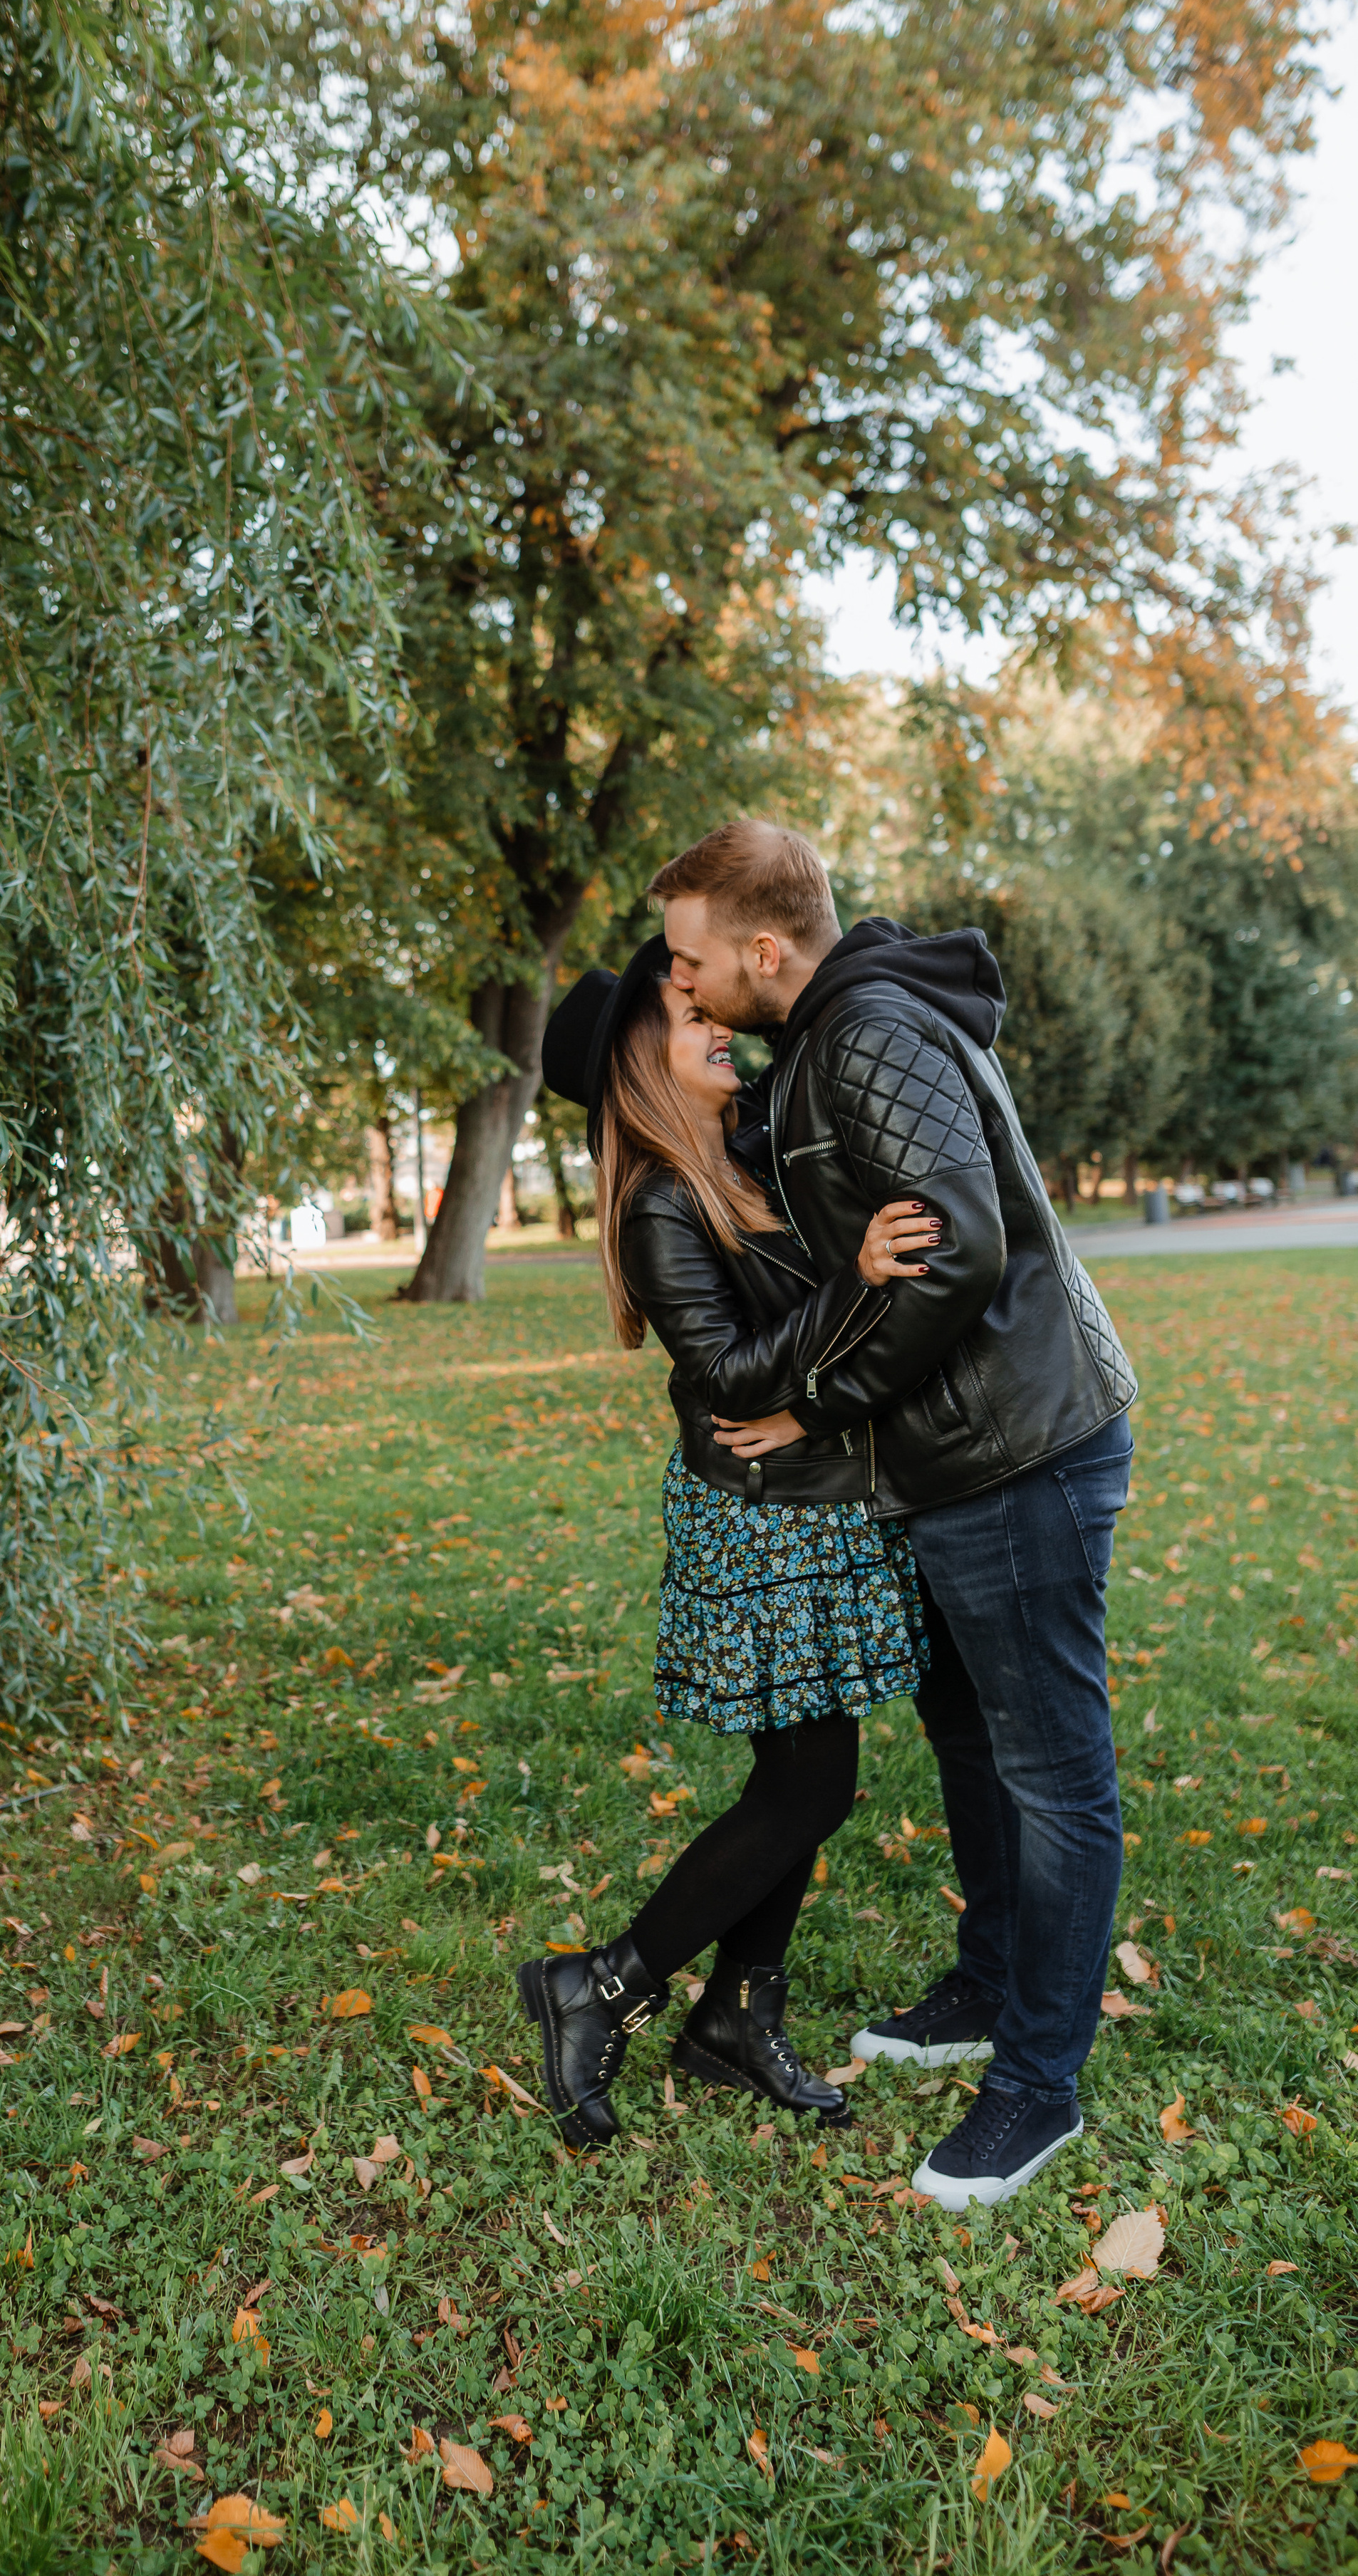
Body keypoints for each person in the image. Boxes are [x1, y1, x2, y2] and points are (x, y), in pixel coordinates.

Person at [648, 821, 1136, 2212]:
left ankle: (1035, 2088)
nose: (678, 986)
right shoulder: (823, 1039)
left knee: (1051, 1775)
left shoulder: (861, 1030)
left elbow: (962, 1246)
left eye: (689, 960)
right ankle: (986, 1990)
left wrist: (826, 1400)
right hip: (950, 1455)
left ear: (761, 948)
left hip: (1014, 1450)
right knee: (970, 1739)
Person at [513, 938, 940, 2149]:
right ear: (642, 1060)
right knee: (809, 1783)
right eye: (683, 1011)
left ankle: (737, 2019)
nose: (711, 1017)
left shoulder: (742, 1154)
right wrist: (856, 1280)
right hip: (758, 1520)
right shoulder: (659, 1199)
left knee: (802, 1785)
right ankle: (600, 1985)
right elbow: (726, 1375)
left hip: (811, 1501)